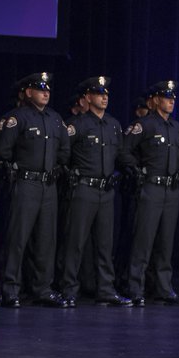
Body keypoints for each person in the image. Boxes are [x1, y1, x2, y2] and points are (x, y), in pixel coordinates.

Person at [0, 72, 70, 309]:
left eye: (47, 89)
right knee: (17, 238)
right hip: (26, 183)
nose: (45, 93)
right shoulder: (18, 118)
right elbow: (4, 151)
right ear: (29, 92)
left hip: (48, 185)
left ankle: (43, 289)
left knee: (46, 240)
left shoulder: (55, 119)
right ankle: (10, 289)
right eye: (40, 89)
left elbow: (64, 150)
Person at [58, 76, 133, 307]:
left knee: (104, 244)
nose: (104, 97)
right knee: (75, 243)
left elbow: (120, 154)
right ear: (88, 98)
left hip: (106, 191)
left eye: (106, 94)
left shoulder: (113, 125)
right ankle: (69, 289)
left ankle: (106, 289)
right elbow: (63, 154)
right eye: (99, 94)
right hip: (84, 189)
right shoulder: (77, 124)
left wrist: (133, 167)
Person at [124, 80, 179, 305]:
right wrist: (137, 169)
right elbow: (124, 151)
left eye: (173, 98)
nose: (171, 101)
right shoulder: (144, 125)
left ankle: (164, 287)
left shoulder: (176, 127)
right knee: (143, 240)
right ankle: (135, 288)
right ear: (157, 100)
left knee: (166, 242)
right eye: (167, 97)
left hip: (171, 189)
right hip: (151, 187)